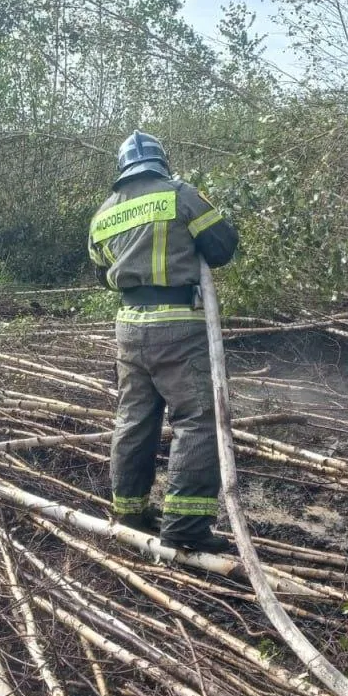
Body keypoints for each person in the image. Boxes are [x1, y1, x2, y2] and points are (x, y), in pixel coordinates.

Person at [87, 130, 240, 553]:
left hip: (128, 326)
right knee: (196, 420)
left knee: (134, 418)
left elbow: (103, 273)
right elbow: (223, 246)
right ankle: (186, 527)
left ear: (122, 169)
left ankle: (130, 513)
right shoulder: (181, 194)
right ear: (161, 162)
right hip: (178, 325)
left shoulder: (103, 214)